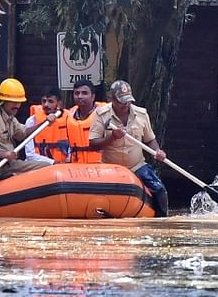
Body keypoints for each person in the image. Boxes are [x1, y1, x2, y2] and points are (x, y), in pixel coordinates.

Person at [89, 80, 169, 216]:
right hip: (111, 167)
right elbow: (93, 144)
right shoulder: (101, 115)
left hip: (136, 165)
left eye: (128, 101)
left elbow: (150, 139)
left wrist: (157, 151)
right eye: (122, 101)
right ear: (112, 99)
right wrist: (112, 137)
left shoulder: (141, 114)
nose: (126, 104)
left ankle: (161, 220)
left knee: (159, 189)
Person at [0, 78, 49, 178]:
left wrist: (45, 123)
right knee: (46, 168)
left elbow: (23, 134)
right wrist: (3, 154)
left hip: (9, 164)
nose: (17, 106)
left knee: (48, 166)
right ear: (3, 101)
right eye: (13, 102)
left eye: (19, 102)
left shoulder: (9, 116)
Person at [64, 81, 105, 164]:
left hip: (101, 165)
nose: (80, 96)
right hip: (77, 166)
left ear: (93, 96)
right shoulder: (69, 115)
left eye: (84, 93)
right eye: (77, 93)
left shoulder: (104, 113)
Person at [25, 88, 68, 164]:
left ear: (59, 104)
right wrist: (53, 162)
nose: (46, 105)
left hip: (63, 166)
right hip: (39, 165)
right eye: (44, 101)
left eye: (50, 101)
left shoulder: (69, 119)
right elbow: (30, 155)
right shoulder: (32, 121)